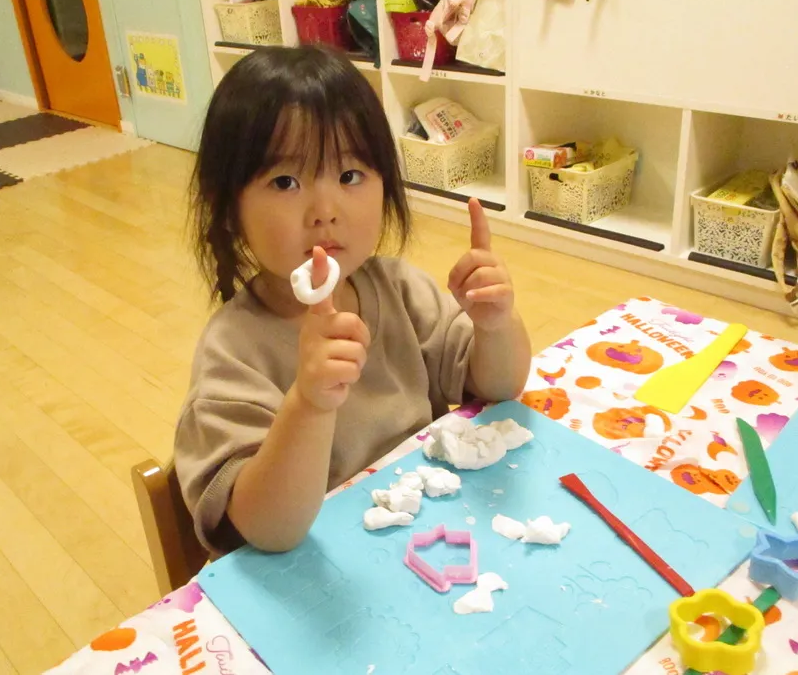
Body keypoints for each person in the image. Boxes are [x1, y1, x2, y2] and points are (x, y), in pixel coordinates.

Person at [174, 45, 531, 556]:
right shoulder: (233, 354)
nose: (325, 210)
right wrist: (309, 404)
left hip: (431, 541)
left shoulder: (400, 290)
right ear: (229, 208)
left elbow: (499, 385)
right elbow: (268, 529)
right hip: (318, 573)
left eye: (349, 176)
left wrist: (496, 323)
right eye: (285, 181)